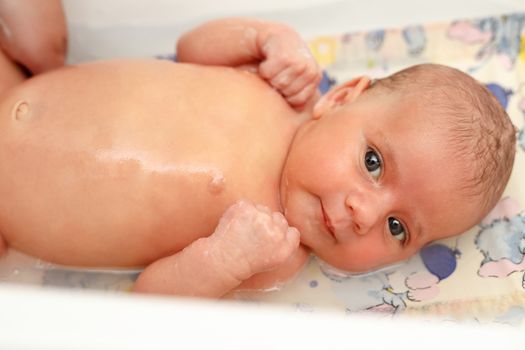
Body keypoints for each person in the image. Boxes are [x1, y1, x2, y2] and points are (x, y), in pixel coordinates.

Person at [0, 15, 516, 298]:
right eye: (374, 164)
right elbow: (191, 47)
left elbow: (151, 299)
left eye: (399, 228)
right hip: (22, 75)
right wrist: (263, 36)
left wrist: (224, 260)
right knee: (39, 27)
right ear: (340, 99)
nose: (365, 213)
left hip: (9, 216)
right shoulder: (279, 84)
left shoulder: (273, 255)